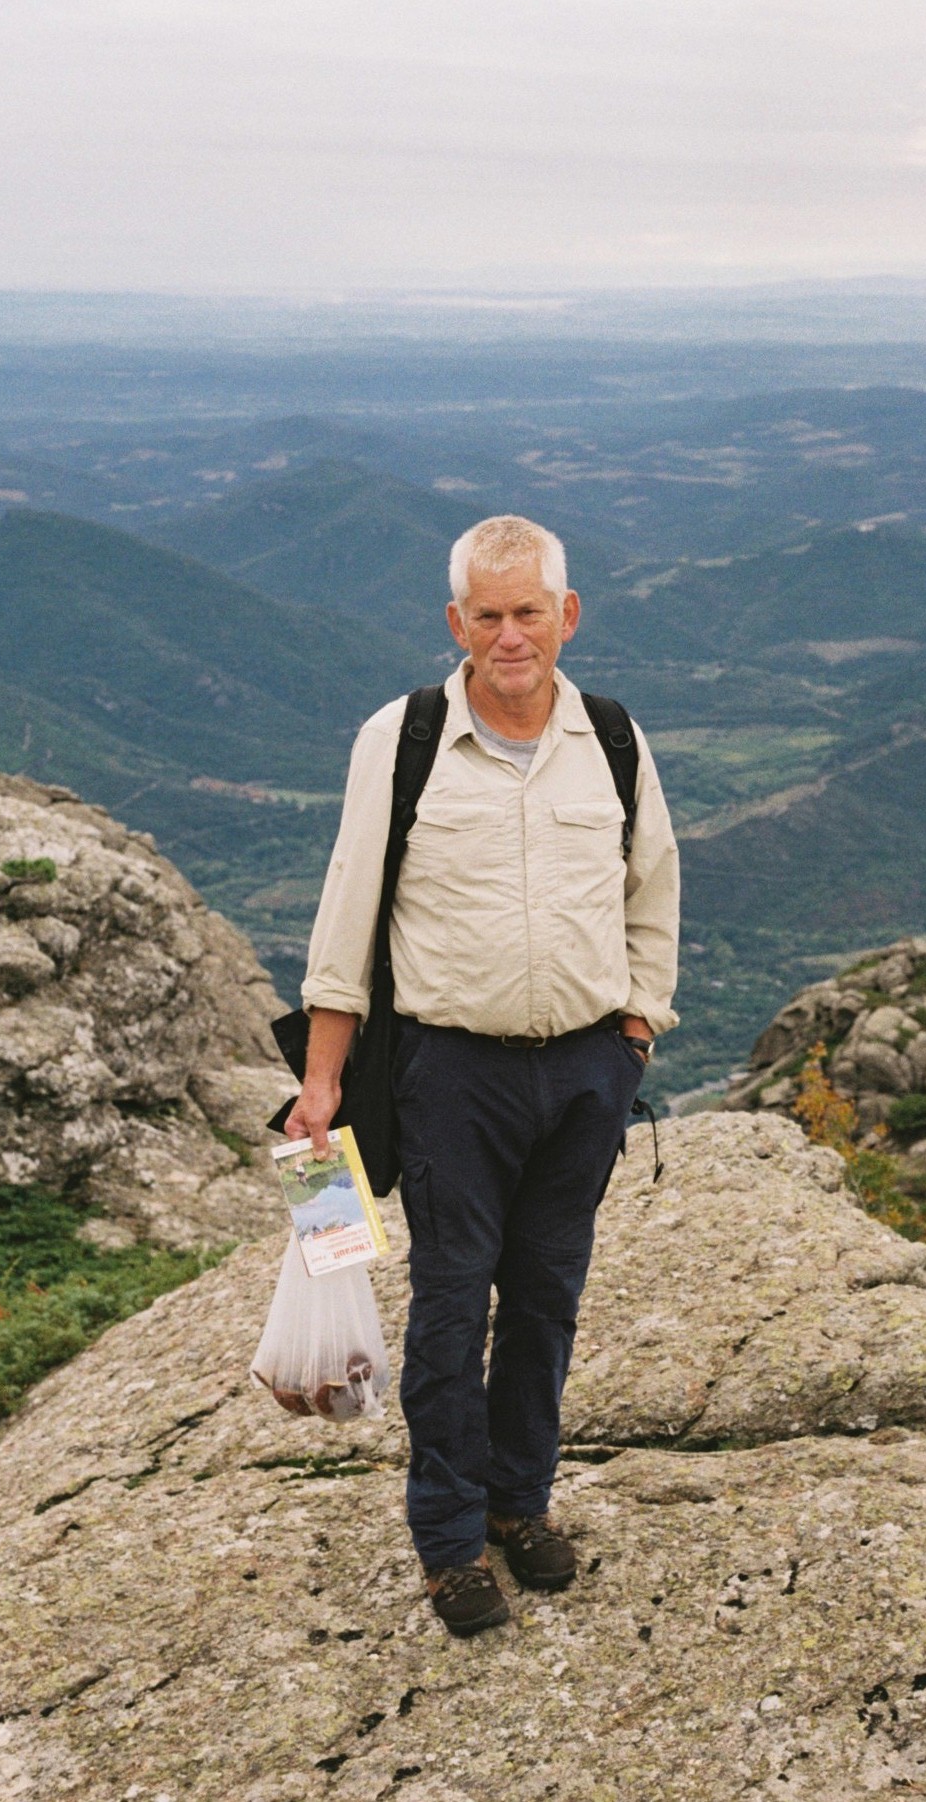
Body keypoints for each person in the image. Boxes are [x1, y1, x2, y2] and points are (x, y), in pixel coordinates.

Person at [285, 514, 679, 1637]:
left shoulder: (612, 736)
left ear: (568, 616)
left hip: (588, 1072)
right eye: (489, 615)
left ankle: (521, 1503)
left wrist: (635, 1034)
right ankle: (451, 1541)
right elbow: (348, 913)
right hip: (451, 1074)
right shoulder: (404, 737)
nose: (512, 636)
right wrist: (321, 1082)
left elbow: (652, 889)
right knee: (453, 1309)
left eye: (530, 612)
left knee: (546, 1301)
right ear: (457, 622)